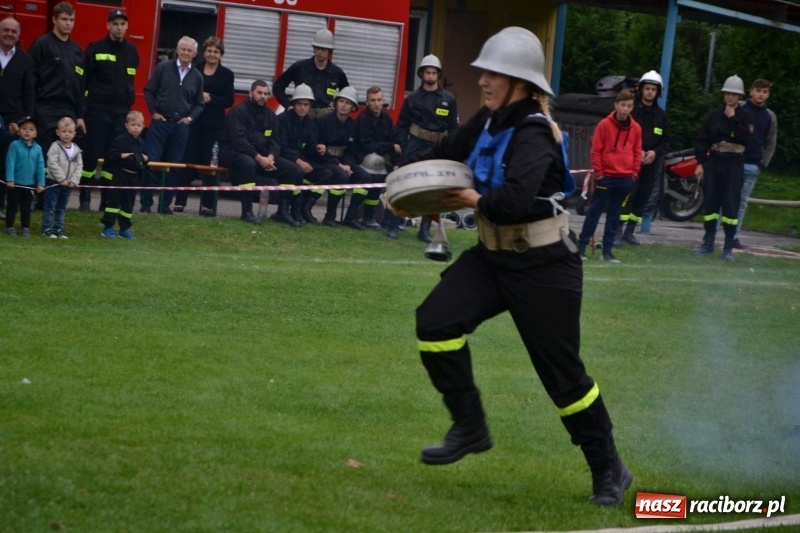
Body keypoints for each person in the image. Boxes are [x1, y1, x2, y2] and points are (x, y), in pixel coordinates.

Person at [394, 26, 632, 506]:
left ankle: (608, 467)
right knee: (435, 322)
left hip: (544, 265)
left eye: (492, 73)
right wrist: (405, 184)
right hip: (493, 255)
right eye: (483, 72)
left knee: (563, 377)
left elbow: (516, 200)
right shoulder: (488, 118)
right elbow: (446, 153)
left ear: (519, 82)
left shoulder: (535, 131)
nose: (482, 80)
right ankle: (469, 427)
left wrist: (470, 199)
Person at [78, 8, 139, 212]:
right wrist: (81, 112)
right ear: (108, 25)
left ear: (127, 26)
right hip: (97, 111)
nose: (119, 28)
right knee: (91, 155)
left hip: (121, 113)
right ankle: (85, 198)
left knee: (113, 158)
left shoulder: (132, 51)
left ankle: (106, 200)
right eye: (115, 24)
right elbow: (83, 82)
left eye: (123, 24)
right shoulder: (95, 48)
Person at [219, 79, 303, 226]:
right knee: (248, 164)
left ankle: (282, 212)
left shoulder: (270, 115)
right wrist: (259, 158)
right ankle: (247, 212)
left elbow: (276, 141)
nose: (262, 96)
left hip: (263, 156)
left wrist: (271, 157)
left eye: (266, 94)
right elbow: (239, 141)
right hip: (234, 152)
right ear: (251, 93)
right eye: (259, 93)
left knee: (292, 169)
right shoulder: (239, 111)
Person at [395, 54, 458, 242]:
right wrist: (405, 145)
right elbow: (402, 124)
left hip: (438, 147)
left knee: (432, 189)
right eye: (427, 72)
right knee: (404, 185)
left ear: (438, 75)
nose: (430, 76)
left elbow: (454, 128)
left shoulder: (449, 99)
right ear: (422, 74)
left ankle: (424, 231)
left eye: (434, 73)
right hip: (415, 145)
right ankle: (392, 225)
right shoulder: (413, 98)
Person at [692, 75, 753, 262]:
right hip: (715, 162)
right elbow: (702, 139)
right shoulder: (714, 115)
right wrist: (700, 162)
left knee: (730, 206)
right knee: (710, 204)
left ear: (740, 96)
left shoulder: (746, 116)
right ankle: (708, 243)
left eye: (734, 94)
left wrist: (733, 118)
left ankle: (728, 248)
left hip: (734, 165)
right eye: (727, 93)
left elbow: (745, 138)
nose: (730, 97)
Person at [577, 89, 642, 263]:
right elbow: (595, 151)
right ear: (616, 105)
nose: (625, 109)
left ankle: (607, 252)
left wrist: (634, 173)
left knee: (614, 216)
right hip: (605, 177)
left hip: (625, 178)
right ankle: (581, 248)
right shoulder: (604, 125)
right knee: (594, 212)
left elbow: (637, 151)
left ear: (632, 107)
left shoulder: (636, 128)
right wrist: (600, 174)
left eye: (629, 106)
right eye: (623, 105)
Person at [141, 36, 204, 214]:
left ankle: (165, 205)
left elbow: (199, 103)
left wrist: (190, 118)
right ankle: (146, 204)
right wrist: (153, 112)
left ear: (195, 54)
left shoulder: (197, 76)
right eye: (183, 49)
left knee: (174, 167)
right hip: (160, 124)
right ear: (177, 50)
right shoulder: (163, 67)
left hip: (180, 127)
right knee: (151, 163)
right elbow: (149, 90)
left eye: (189, 50)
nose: (186, 53)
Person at [174, 36, 234, 215]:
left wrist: (211, 98)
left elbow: (229, 100)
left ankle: (207, 205)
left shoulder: (227, 74)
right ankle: (180, 201)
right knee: (187, 160)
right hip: (193, 121)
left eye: (216, 51)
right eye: (209, 51)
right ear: (203, 52)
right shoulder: (195, 69)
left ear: (221, 54)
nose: (212, 54)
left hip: (214, 125)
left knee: (210, 164)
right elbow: (184, 92)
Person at [615, 70, 670, 246]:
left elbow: (666, 141)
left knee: (642, 196)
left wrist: (655, 153)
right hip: (629, 161)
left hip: (650, 163)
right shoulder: (632, 111)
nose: (650, 92)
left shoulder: (661, 116)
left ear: (658, 92)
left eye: (653, 89)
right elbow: (622, 133)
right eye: (647, 88)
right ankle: (617, 230)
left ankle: (629, 232)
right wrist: (636, 152)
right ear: (641, 89)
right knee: (627, 194)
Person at [28, 2, 86, 153]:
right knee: (44, 155)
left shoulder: (77, 51)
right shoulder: (42, 44)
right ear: (54, 19)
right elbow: (30, 81)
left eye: (71, 20)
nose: (68, 23)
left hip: (68, 112)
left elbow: (80, 87)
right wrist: (30, 112)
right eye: (64, 19)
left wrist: (80, 115)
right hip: (45, 109)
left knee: (65, 158)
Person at [276, 83, 335, 225]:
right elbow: (281, 146)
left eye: (306, 104)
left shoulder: (309, 122)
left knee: (326, 174)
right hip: (284, 159)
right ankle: (284, 212)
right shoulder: (282, 119)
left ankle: (304, 208)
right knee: (296, 171)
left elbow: (310, 145)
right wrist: (297, 160)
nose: (302, 107)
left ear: (310, 106)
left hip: (302, 160)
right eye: (299, 104)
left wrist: (318, 148)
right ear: (294, 104)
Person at [313, 86, 371, 228]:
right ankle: (330, 216)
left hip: (344, 161)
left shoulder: (353, 125)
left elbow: (352, 149)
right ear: (336, 103)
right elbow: (318, 148)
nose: (343, 105)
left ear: (353, 107)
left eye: (347, 103)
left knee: (364, 177)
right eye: (341, 101)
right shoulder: (324, 121)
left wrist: (348, 165)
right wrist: (340, 165)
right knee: (342, 176)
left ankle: (350, 217)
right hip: (324, 159)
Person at [733, 79, 777, 249]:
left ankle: (734, 236)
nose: (761, 94)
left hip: (752, 165)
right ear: (751, 91)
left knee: (742, 202)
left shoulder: (770, 116)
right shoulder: (740, 107)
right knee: (725, 198)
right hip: (733, 161)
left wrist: (762, 164)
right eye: (758, 90)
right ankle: (713, 233)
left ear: (768, 95)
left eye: (764, 92)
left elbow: (770, 143)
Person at [0, 16, 35, 219]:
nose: (9, 34)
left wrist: (23, 121)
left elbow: (29, 92)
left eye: (13, 31)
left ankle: (0, 205)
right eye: (6, 30)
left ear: (19, 35)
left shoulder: (25, 59)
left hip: (11, 121)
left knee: (5, 163)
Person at [273, 28, 349, 119]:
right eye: (317, 48)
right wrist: (288, 106)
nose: (319, 52)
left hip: (325, 119)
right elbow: (277, 86)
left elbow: (347, 95)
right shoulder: (299, 67)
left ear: (330, 51)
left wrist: (336, 105)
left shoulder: (337, 72)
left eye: (323, 49)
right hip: (301, 117)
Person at [357, 85, 401, 233]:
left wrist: (396, 164)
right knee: (376, 176)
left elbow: (393, 141)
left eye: (379, 100)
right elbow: (367, 145)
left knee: (399, 177)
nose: (376, 103)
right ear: (366, 102)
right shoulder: (363, 118)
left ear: (383, 101)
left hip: (382, 160)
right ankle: (368, 216)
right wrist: (390, 147)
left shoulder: (386, 118)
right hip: (364, 159)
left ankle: (391, 218)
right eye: (373, 100)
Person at [101, 110, 148, 239]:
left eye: (138, 125)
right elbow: (111, 155)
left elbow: (145, 157)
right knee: (114, 202)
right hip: (120, 175)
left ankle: (124, 229)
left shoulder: (141, 142)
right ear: (127, 126)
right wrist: (121, 155)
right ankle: (108, 227)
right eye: (133, 125)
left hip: (134, 177)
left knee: (128, 203)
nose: (136, 128)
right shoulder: (120, 140)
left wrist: (146, 159)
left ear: (143, 127)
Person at [4, 116, 44, 237]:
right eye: (24, 128)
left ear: (36, 133)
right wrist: (10, 179)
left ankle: (25, 227)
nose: (27, 131)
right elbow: (10, 162)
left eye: (31, 129)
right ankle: (9, 227)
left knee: (26, 208)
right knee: (12, 207)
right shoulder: (14, 145)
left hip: (29, 185)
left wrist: (40, 183)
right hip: (15, 184)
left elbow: (40, 167)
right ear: (19, 131)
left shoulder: (38, 149)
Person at [43, 116, 81, 238]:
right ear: (58, 132)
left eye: (70, 132)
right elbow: (52, 163)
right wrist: (61, 179)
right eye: (64, 131)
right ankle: (46, 228)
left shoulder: (76, 150)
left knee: (61, 208)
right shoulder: (55, 147)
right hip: (54, 182)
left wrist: (74, 181)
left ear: (74, 134)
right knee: (50, 207)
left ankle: (59, 228)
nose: (67, 134)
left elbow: (79, 166)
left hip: (68, 185)